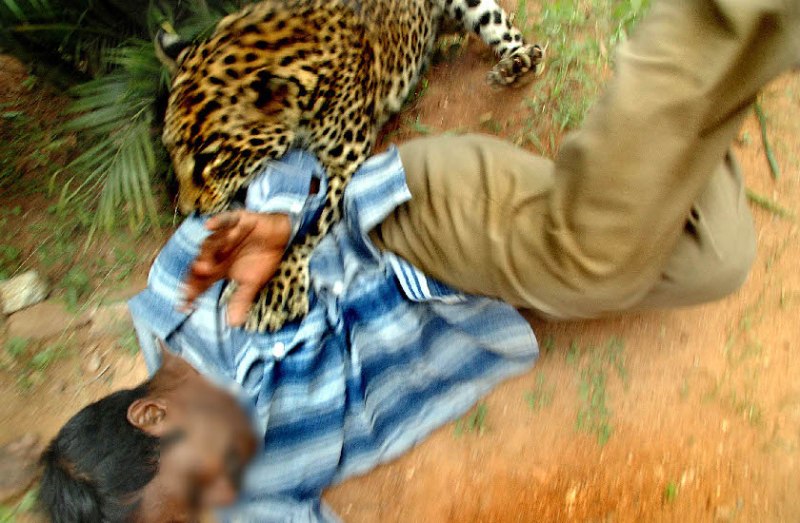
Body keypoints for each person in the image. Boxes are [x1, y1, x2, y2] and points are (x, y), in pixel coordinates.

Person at [37, 0, 800, 521]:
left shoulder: (181, 293)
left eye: (185, 504)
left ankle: (722, 17)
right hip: (476, 300)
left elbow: (285, 145)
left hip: (412, 224)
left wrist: (279, 216)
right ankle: (715, 84)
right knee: (716, 258)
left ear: (153, 413)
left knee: (591, 259)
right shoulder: (249, 496)